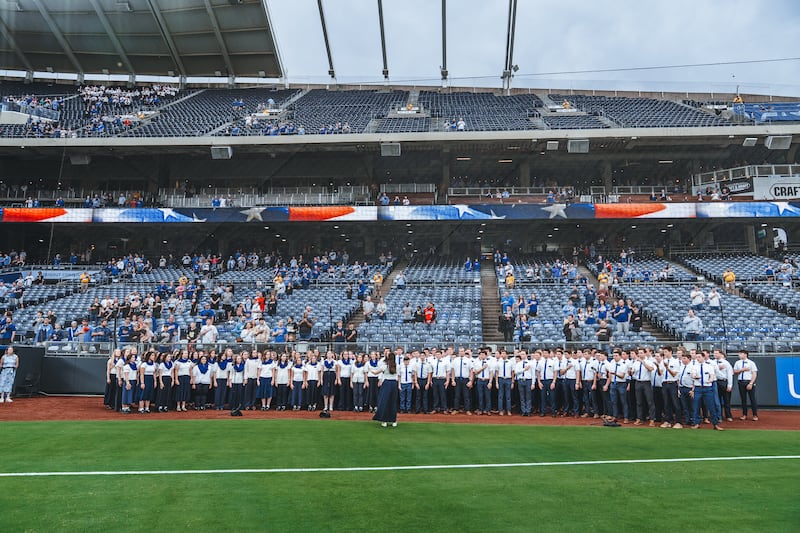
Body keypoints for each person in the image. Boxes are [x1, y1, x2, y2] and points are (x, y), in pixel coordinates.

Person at [691, 352, 724, 430]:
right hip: (698, 388)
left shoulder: (709, 366)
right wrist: (695, 377)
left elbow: (712, 375)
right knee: (696, 406)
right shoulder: (694, 366)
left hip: (708, 388)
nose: (697, 359)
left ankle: (715, 424)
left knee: (711, 406)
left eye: (699, 357)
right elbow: (693, 375)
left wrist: (710, 380)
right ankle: (696, 423)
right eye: (696, 357)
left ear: (703, 357)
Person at [373, 353, 399, 427]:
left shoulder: (385, 366)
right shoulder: (398, 366)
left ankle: (384, 420)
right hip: (394, 384)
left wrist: (370, 369)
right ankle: (394, 420)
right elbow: (399, 376)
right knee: (393, 402)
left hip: (387, 383)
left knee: (384, 401)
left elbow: (375, 373)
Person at [733, 349, 758, 421]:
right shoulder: (737, 362)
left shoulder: (751, 363)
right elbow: (735, 371)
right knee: (743, 399)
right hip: (741, 381)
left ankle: (755, 415)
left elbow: (754, 373)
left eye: (740, 354)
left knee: (752, 399)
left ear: (745, 354)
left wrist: (751, 383)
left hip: (749, 381)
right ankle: (744, 414)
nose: (739, 355)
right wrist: (742, 369)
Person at [714, 349, 734, 422]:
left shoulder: (726, 363)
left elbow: (729, 374)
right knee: (717, 400)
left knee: (727, 400)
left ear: (720, 354)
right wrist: (717, 368)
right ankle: (719, 416)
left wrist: (730, 385)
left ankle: (728, 415)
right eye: (714, 353)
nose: (715, 355)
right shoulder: (713, 362)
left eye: (716, 353)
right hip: (716, 382)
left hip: (724, 381)